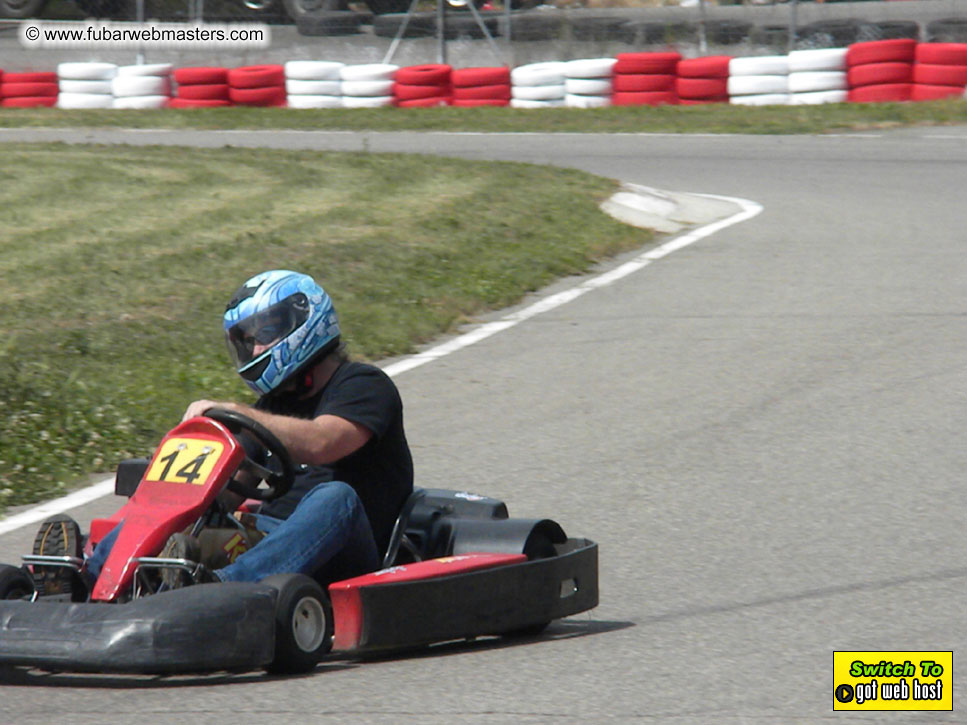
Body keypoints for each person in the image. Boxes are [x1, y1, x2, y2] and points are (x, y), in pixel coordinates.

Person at [33, 269, 413, 594]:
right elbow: (236, 487)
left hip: (344, 549)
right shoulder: (272, 406)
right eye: (247, 341)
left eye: (264, 333)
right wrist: (182, 493)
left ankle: (223, 589)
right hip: (270, 542)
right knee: (193, 506)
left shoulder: (364, 385)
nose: (255, 347)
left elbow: (322, 442)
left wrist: (233, 411)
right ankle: (89, 578)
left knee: (336, 496)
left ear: (304, 321)